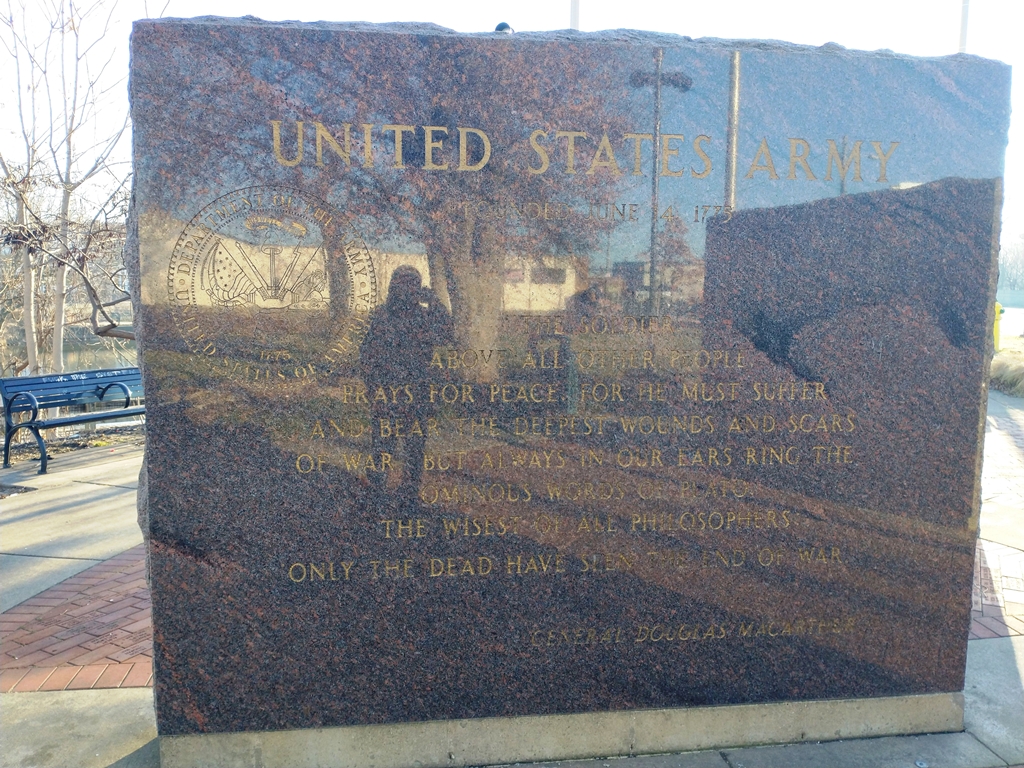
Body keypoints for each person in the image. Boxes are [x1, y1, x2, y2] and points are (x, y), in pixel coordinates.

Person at [359, 265, 454, 505]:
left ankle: (409, 491)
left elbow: (446, 334)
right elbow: (368, 353)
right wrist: (372, 388)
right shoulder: (382, 315)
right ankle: (377, 489)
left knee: (414, 447)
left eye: (412, 283)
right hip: (388, 390)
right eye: (402, 283)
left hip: (417, 390)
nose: (407, 289)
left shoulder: (424, 316)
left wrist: (434, 302)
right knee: (382, 444)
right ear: (393, 286)